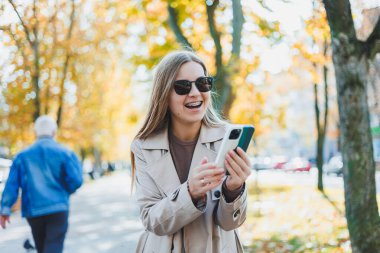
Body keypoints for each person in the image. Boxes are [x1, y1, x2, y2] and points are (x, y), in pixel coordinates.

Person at [130, 51, 251, 253]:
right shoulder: (143, 147)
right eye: (183, 86)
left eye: (202, 83)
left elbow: (230, 223)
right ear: (164, 95)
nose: (195, 92)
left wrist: (234, 189)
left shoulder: (227, 139)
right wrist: (190, 193)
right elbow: (152, 221)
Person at [0, 115, 83, 253]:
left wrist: (5, 209)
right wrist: (64, 191)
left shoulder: (22, 156)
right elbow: (76, 180)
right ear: (54, 132)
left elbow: (12, 185)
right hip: (58, 209)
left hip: (34, 211)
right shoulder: (66, 153)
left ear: (36, 133)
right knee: (53, 247)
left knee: (42, 248)